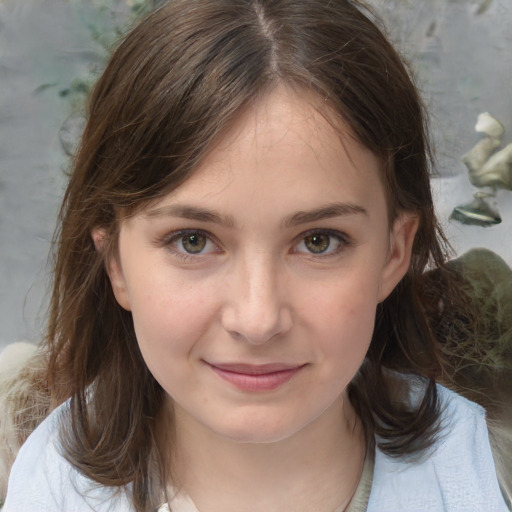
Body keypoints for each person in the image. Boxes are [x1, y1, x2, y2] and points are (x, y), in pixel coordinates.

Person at [1, 0, 510, 511]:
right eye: (192, 240)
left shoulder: (483, 480)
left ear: (393, 253)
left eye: (319, 241)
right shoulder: (50, 487)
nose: (258, 319)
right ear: (115, 263)